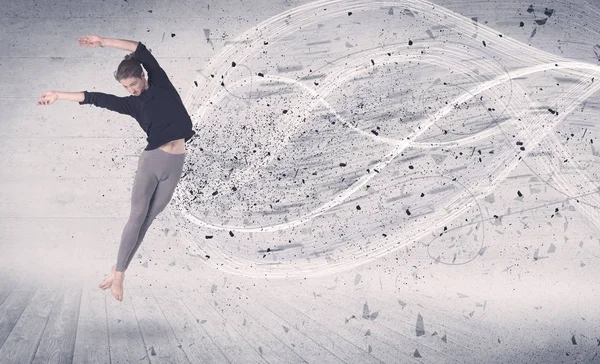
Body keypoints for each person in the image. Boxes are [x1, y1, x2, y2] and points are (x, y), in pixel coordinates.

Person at [37, 35, 196, 301]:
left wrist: (102, 42)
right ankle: (120, 275)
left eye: (133, 83)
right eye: (126, 86)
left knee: (147, 220)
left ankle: (118, 270)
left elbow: (139, 48)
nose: (131, 90)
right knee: (137, 216)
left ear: (143, 76)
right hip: (152, 162)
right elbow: (94, 98)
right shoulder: (131, 104)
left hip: (176, 163)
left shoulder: (161, 84)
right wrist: (58, 95)